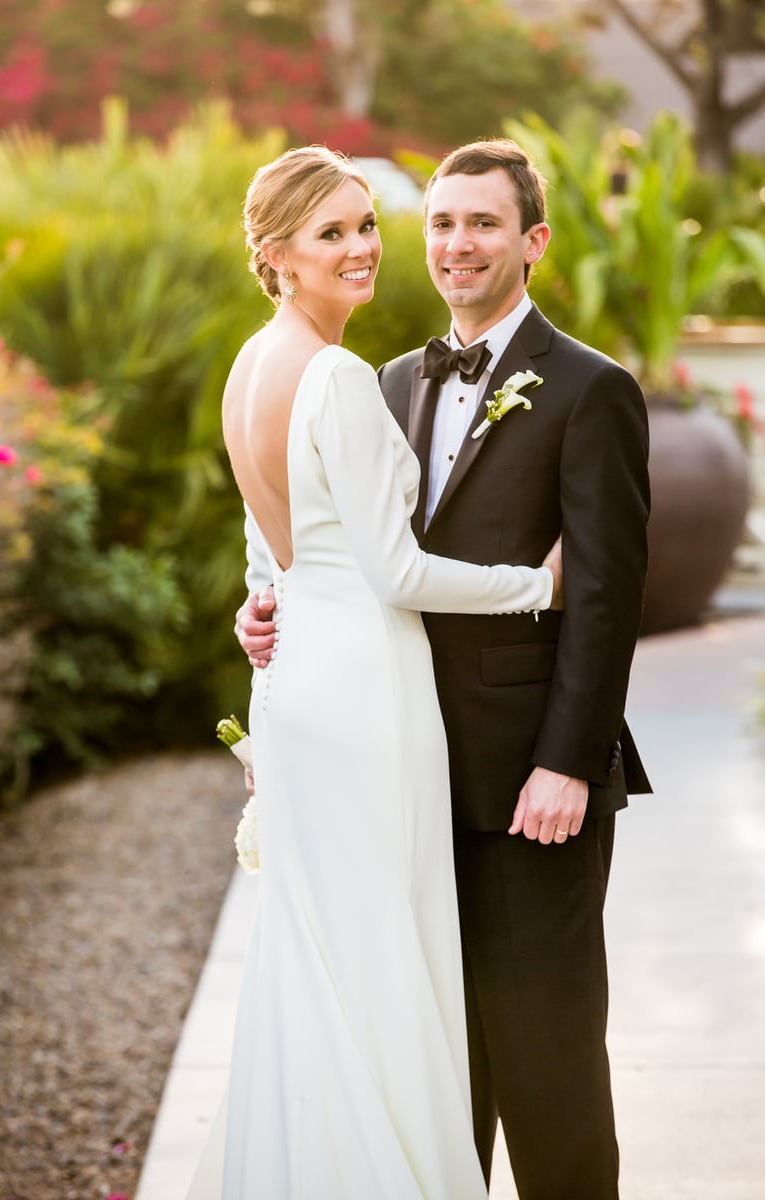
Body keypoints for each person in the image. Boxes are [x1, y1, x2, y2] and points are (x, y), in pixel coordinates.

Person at [236, 138, 652, 1200]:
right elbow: (342, 545)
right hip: (402, 774)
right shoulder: (383, 380)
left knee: (549, 1064)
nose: (456, 244)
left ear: (533, 240)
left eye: (482, 223)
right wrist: (271, 604)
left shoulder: (590, 390)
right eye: (441, 223)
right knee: (430, 1063)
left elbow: (604, 596)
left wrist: (567, 761)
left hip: (527, 783)